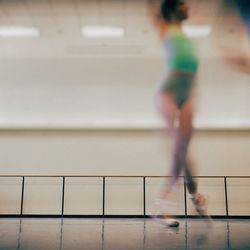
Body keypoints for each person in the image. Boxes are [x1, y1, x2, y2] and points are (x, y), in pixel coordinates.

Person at [148, 0, 209, 227]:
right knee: (179, 149)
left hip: (189, 92)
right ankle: (161, 205)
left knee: (182, 150)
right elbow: (152, 9)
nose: (188, 7)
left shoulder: (185, 35)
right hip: (169, 91)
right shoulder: (165, 28)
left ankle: (193, 197)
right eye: (182, 5)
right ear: (172, 10)